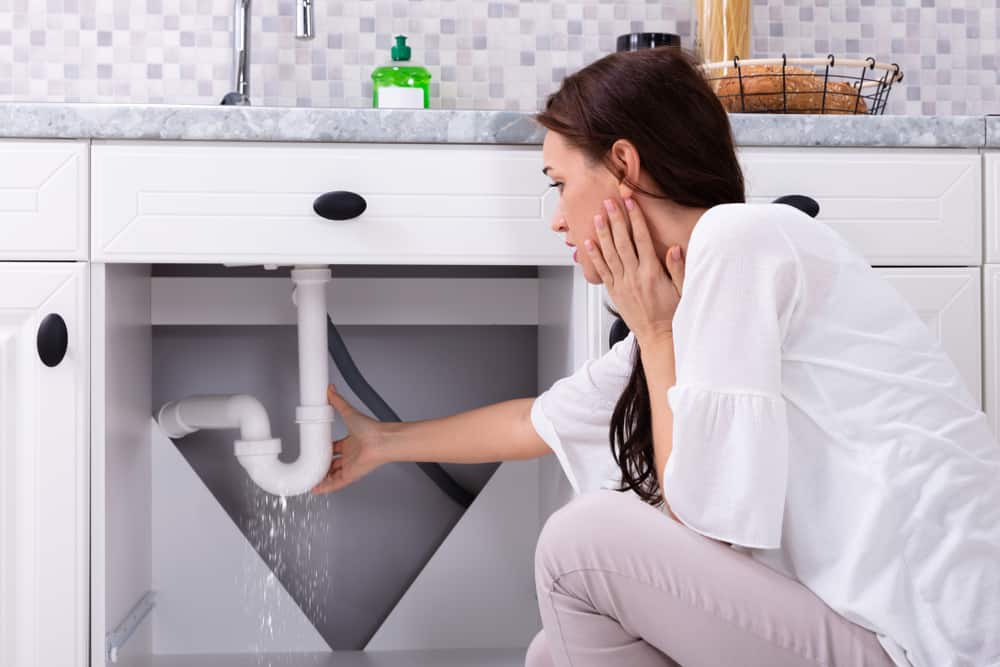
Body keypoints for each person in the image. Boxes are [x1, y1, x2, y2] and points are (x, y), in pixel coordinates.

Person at [310, 47, 1000, 667]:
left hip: (927, 643)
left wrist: (656, 335)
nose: (554, 217)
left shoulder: (742, 243)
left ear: (622, 165)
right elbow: (538, 421)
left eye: (557, 182)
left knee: (578, 543)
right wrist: (384, 443)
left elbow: (706, 524)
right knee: (552, 653)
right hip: (861, 631)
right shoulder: (687, 293)